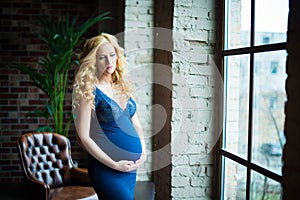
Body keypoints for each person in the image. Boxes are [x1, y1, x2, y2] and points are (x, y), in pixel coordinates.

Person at [72, 33, 147, 200]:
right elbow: (83, 137)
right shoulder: (89, 91)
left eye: (112, 55)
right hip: (106, 169)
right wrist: (114, 164)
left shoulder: (122, 86)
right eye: (102, 57)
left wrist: (143, 150)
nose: (109, 62)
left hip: (128, 170)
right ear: (93, 61)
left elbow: (136, 124)